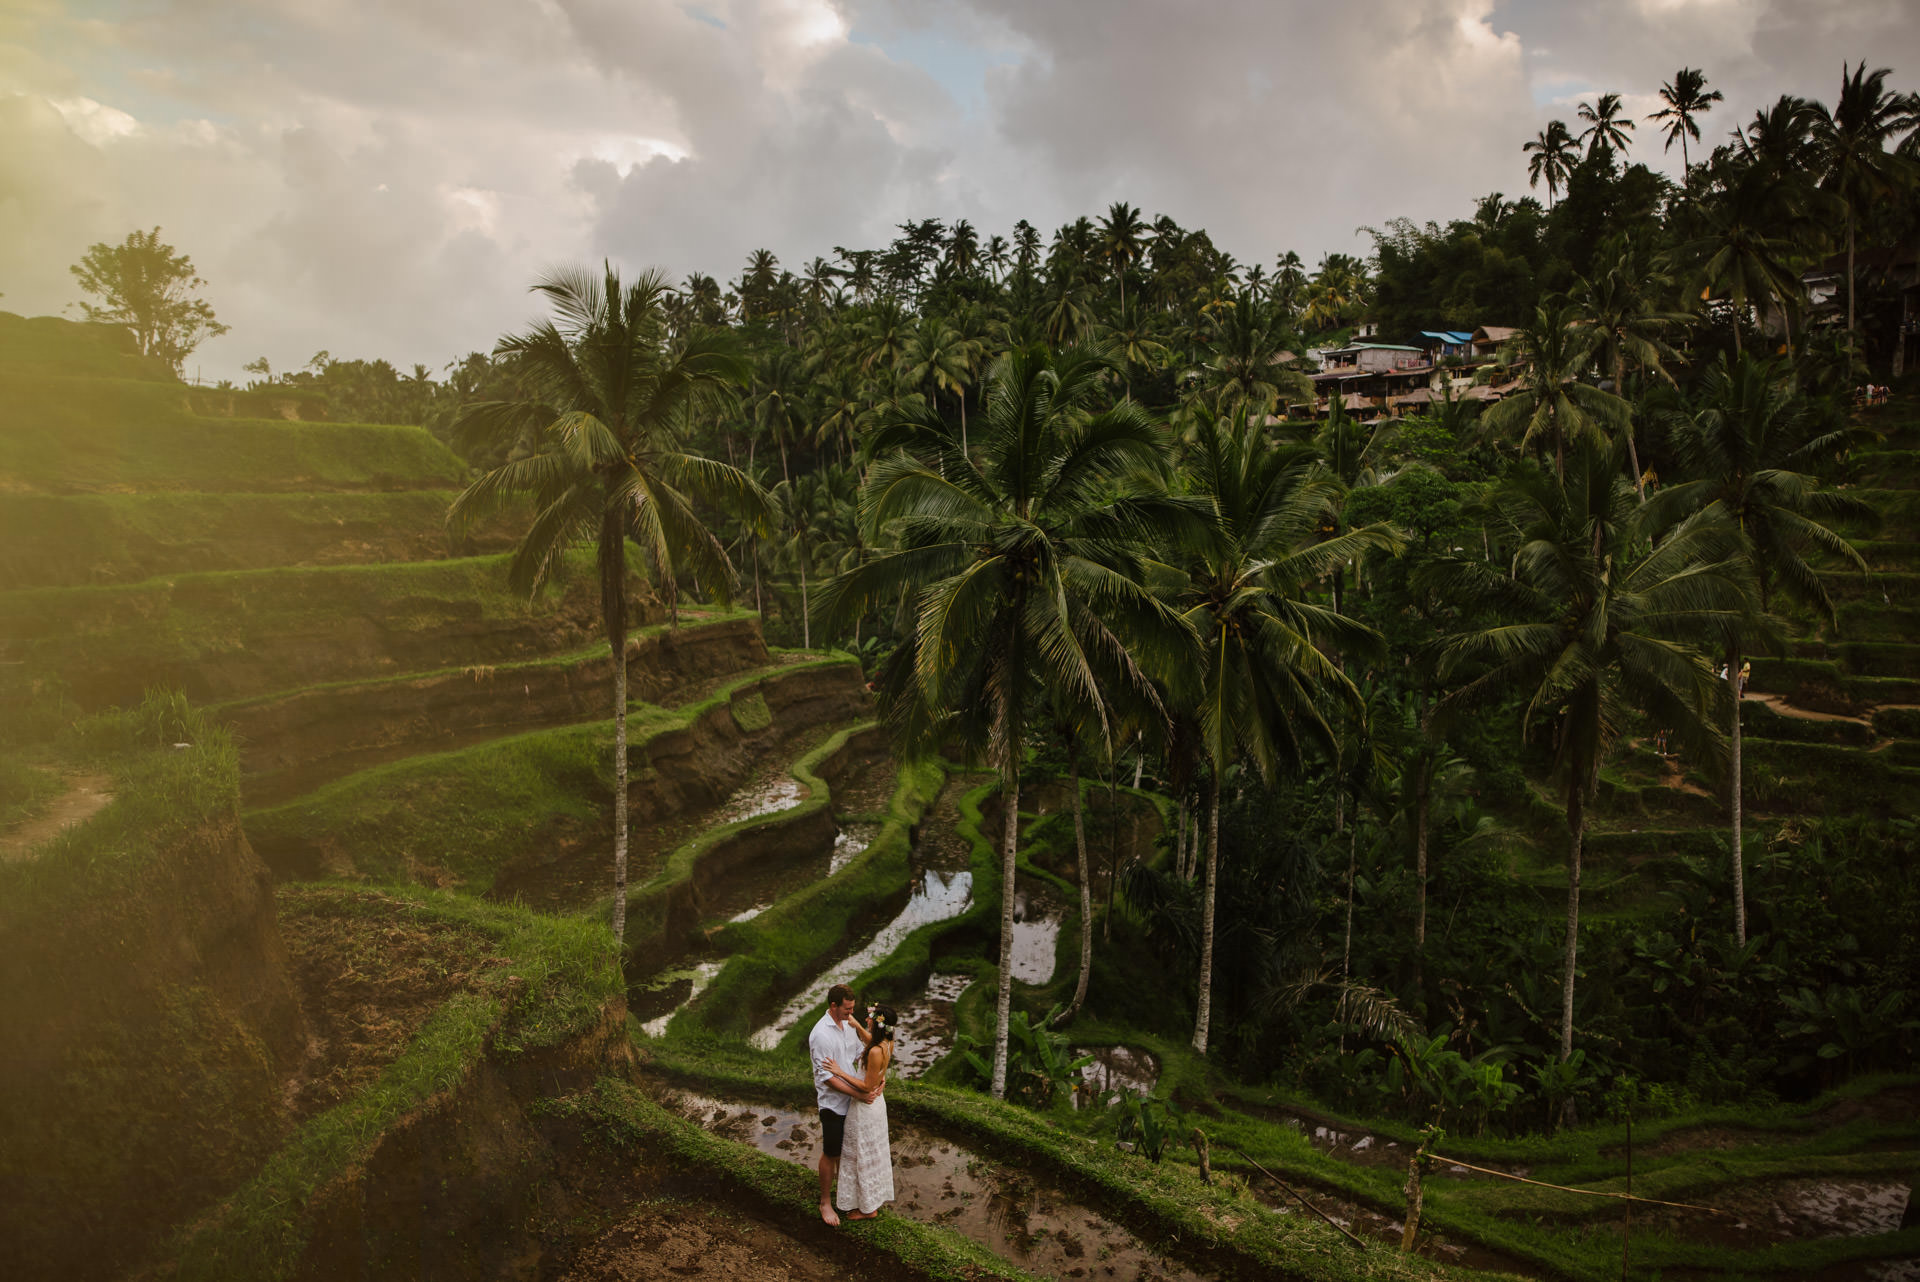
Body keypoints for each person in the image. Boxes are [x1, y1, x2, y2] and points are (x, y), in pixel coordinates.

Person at [808, 983, 873, 1226]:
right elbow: (828, 1079)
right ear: (834, 1006)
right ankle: (825, 1201)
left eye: (853, 1008)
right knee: (832, 1151)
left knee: (850, 1153)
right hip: (833, 1104)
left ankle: (847, 1196)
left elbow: (859, 1053)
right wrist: (859, 1093)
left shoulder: (847, 1025)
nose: (850, 1013)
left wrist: (875, 1072)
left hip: (853, 1098)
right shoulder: (820, 1034)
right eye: (847, 1009)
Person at [824, 1004, 896, 1221]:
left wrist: (840, 1072)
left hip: (865, 1108)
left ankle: (867, 1208)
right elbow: (870, 1040)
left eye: (869, 1019)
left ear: (877, 1023)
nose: (866, 1020)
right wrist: (855, 1025)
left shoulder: (875, 1051)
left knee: (860, 1153)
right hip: (877, 1105)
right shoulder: (887, 1042)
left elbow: (866, 1086)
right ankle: (868, 1201)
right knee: (870, 1152)